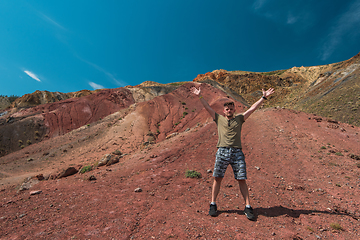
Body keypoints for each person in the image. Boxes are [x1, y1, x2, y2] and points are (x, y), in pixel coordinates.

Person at [190, 84, 274, 220]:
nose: (229, 110)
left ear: (234, 110)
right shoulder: (219, 119)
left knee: (242, 179)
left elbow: (252, 108)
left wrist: (263, 98)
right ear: (224, 111)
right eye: (227, 109)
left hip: (237, 153)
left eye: (231, 109)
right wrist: (199, 96)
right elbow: (207, 108)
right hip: (222, 152)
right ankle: (213, 203)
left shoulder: (239, 119)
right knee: (217, 178)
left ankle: (247, 206)